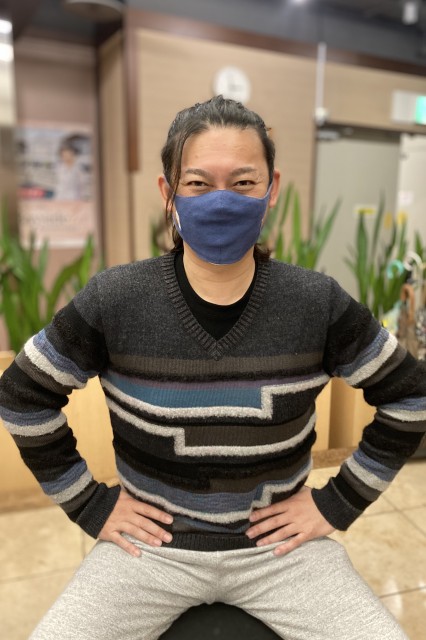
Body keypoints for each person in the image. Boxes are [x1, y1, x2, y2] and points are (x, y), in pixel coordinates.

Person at [0, 96, 425, 640]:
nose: (222, 201)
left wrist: (336, 503)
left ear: (272, 188)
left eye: (244, 182)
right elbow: (22, 396)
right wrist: (90, 504)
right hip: (150, 550)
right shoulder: (116, 299)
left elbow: (411, 396)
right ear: (168, 192)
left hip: (281, 552)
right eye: (198, 183)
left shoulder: (315, 304)